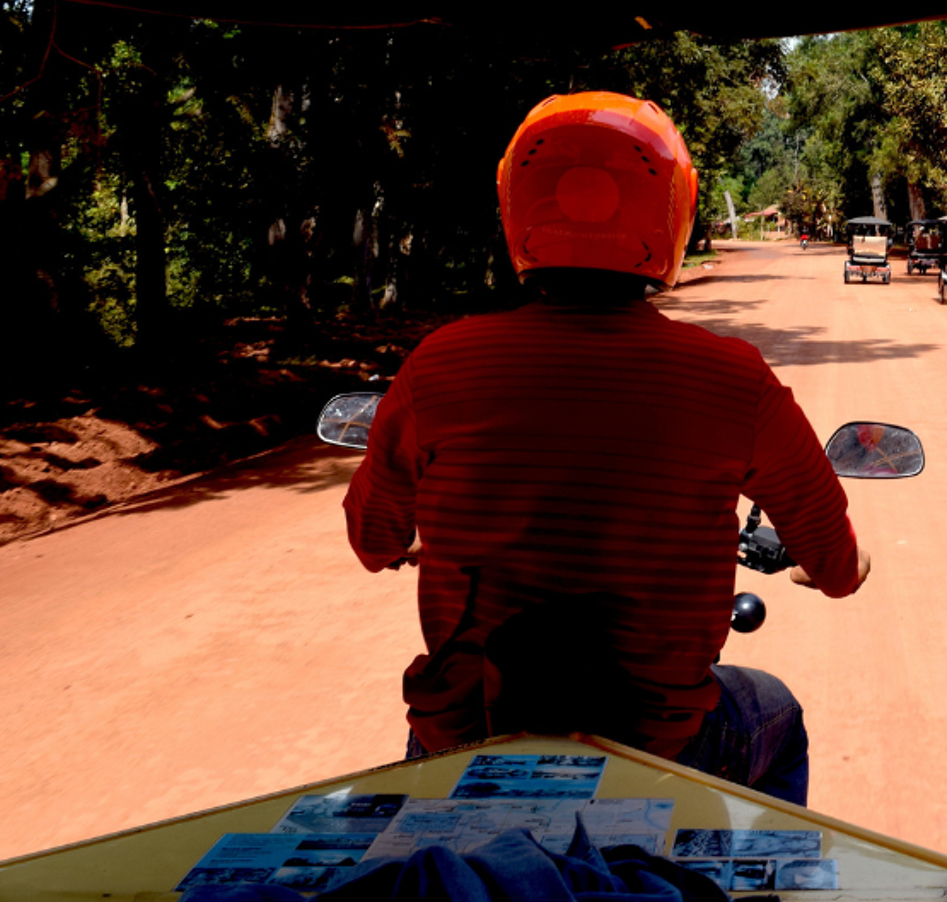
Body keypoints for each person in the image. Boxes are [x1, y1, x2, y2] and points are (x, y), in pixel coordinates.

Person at [342, 91, 869, 806]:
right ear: (672, 214)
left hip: (466, 743)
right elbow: (834, 565)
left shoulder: (439, 364)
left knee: (432, 757)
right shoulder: (733, 379)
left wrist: (416, 539)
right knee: (779, 715)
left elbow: (373, 540)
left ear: (518, 209)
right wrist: (846, 564)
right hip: (657, 748)